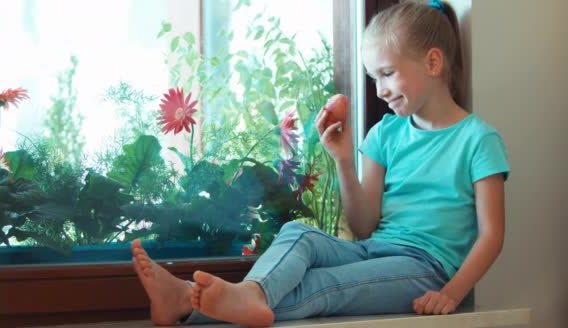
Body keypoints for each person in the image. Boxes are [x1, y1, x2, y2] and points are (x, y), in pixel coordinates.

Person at [130, 0, 510, 326]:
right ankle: (241, 294)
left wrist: (451, 293)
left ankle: (188, 301)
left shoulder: (477, 139)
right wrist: (343, 161)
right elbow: (364, 227)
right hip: (374, 251)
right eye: (373, 78)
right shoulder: (385, 134)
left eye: (388, 74)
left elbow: (491, 236)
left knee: (324, 287)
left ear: (432, 62)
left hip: (425, 268)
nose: (380, 90)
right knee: (300, 233)